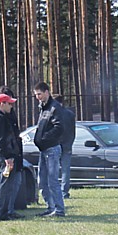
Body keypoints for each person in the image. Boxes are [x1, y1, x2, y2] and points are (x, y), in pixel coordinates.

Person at [0, 93, 24, 221]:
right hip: (3, 158)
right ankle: (1, 214)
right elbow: (1, 141)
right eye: (9, 103)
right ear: (2, 104)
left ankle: (4, 212)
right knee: (4, 186)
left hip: (1, 157)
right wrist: (8, 157)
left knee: (5, 185)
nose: (11, 106)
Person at [33, 82, 66, 217]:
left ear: (47, 92)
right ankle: (50, 207)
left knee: (52, 180)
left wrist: (44, 139)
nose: (38, 97)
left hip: (51, 149)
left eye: (39, 94)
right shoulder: (43, 108)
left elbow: (59, 128)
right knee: (42, 181)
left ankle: (59, 209)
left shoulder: (55, 108)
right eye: (36, 95)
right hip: (44, 149)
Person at [54, 94, 76, 199]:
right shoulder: (70, 114)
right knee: (65, 170)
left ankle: (55, 192)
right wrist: (70, 143)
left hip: (55, 144)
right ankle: (64, 192)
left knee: (53, 169)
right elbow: (73, 131)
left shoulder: (54, 113)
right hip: (67, 145)